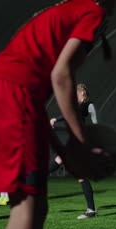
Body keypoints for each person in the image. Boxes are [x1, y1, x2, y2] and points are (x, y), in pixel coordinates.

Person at [0, 0, 116, 229]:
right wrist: (81, 142)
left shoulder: (60, 13)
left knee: (36, 205)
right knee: (25, 209)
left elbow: (37, 111)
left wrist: (66, 151)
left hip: (2, 96)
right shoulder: (92, 10)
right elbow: (61, 75)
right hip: (12, 97)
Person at [49, 83, 99, 219]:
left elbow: (95, 121)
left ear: (82, 93)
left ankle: (33, 177)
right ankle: (91, 210)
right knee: (79, 175)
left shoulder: (88, 105)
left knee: (62, 161)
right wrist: (55, 119)